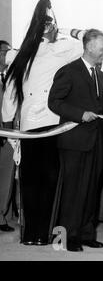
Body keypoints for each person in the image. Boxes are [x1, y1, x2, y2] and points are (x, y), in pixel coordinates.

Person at [2, 0, 85, 245]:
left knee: (50, 180)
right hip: (28, 127)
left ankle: (43, 234)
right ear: (35, 25)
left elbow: (87, 42)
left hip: (52, 123)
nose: (49, 26)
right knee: (29, 181)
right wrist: (9, 129)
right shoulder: (19, 55)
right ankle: (30, 233)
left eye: (52, 21)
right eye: (45, 21)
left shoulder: (62, 49)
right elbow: (10, 94)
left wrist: (65, 29)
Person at [48, 28, 103, 252]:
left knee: (92, 189)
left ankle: (86, 234)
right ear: (89, 46)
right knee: (72, 190)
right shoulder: (69, 71)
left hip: (98, 143)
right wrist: (79, 114)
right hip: (74, 142)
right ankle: (66, 238)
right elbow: (54, 102)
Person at [0, 40, 16, 233]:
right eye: (5, 52)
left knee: (6, 177)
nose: (8, 56)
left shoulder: (12, 78)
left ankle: (2, 215)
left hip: (9, 136)